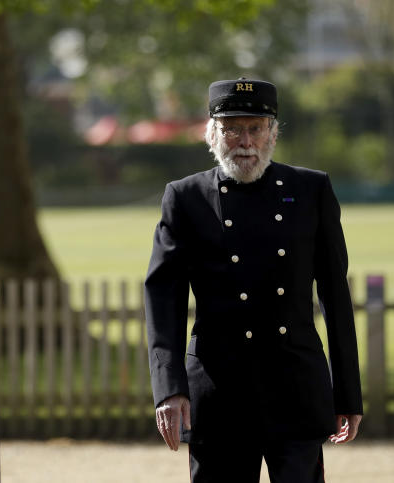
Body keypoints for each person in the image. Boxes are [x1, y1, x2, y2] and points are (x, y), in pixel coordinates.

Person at [144, 78, 363, 483]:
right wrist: (169, 389)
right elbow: (164, 298)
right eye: (232, 128)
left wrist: (347, 393)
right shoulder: (185, 197)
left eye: (255, 128)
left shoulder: (311, 189)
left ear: (272, 133)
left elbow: (335, 292)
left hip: (295, 388)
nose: (245, 141)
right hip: (218, 393)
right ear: (212, 133)